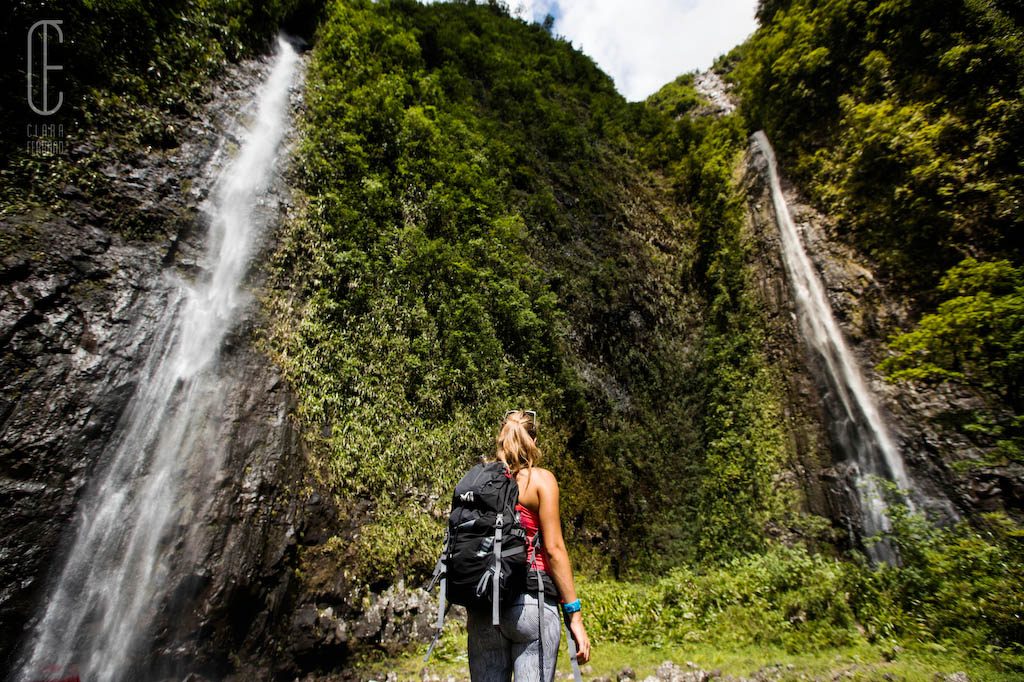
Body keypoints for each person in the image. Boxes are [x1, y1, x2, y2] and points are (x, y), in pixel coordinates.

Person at [465, 409, 591, 682]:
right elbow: (554, 549)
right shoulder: (541, 481)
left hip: (485, 608)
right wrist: (575, 615)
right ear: (533, 440)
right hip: (531, 603)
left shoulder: (479, 480)